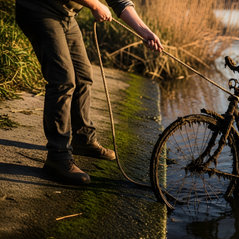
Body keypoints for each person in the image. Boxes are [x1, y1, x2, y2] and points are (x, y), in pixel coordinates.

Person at [15, 0, 163, 185]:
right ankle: (57, 156)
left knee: (83, 75)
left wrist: (145, 31)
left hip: (66, 13)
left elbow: (120, 2)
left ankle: (83, 139)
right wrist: (95, 5)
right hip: (38, 8)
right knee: (62, 79)